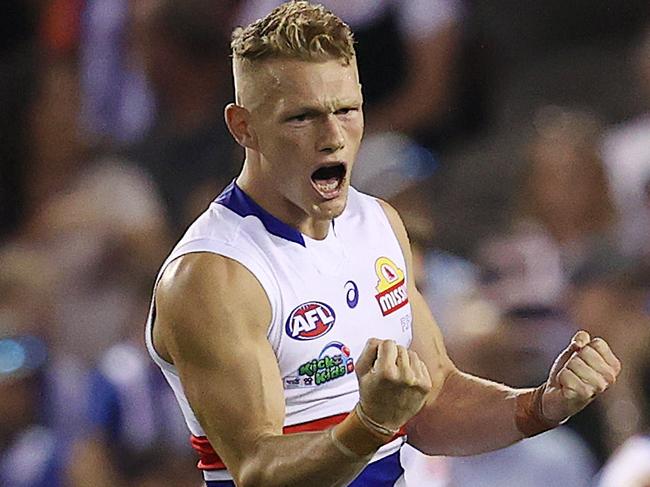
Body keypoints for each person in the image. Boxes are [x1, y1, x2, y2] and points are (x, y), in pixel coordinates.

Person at [146, 2, 621, 486]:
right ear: (243, 126)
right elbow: (258, 471)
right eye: (302, 117)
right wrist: (370, 424)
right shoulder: (215, 273)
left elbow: (433, 404)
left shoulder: (377, 223)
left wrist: (541, 404)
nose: (332, 137)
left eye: (346, 110)